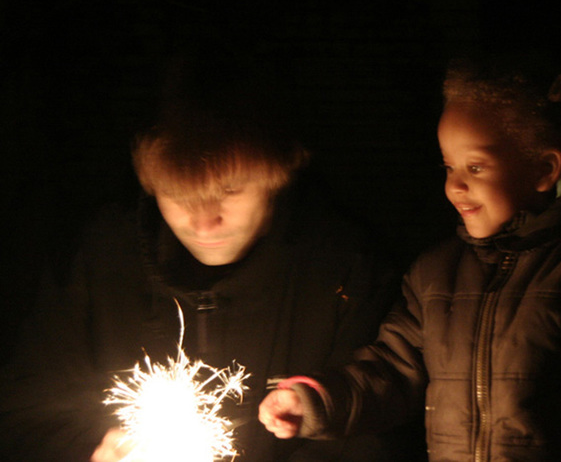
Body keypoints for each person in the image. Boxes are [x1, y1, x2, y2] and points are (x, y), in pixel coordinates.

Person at [258, 56, 561, 460]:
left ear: (544, 169)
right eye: (448, 166)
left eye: (476, 167)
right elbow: (392, 371)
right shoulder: (435, 275)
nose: (455, 186)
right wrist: (316, 402)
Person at [0, 55, 418, 461]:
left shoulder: (346, 270)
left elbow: (374, 435)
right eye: (178, 195)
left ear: (280, 173)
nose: (203, 223)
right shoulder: (100, 259)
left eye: (229, 191)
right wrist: (90, 452)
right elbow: (26, 416)